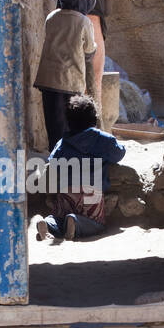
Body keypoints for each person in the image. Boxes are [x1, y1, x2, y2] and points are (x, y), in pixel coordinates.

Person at [36, 93, 126, 241]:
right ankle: (75, 223)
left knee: (59, 218)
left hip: (66, 194)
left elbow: (52, 162)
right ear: (94, 119)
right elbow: (119, 153)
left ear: (69, 121)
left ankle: (47, 223)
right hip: (91, 195)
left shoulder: (63, 142)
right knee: (96, 223)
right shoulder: (103, 140)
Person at [33, 0, 97, 148]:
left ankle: (54, 158)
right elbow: (89, 50)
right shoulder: (84, 22)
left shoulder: (51, 17)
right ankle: (68, 160)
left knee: (54, 124)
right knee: (71, 125)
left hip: (48, 80)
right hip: (70, 82)